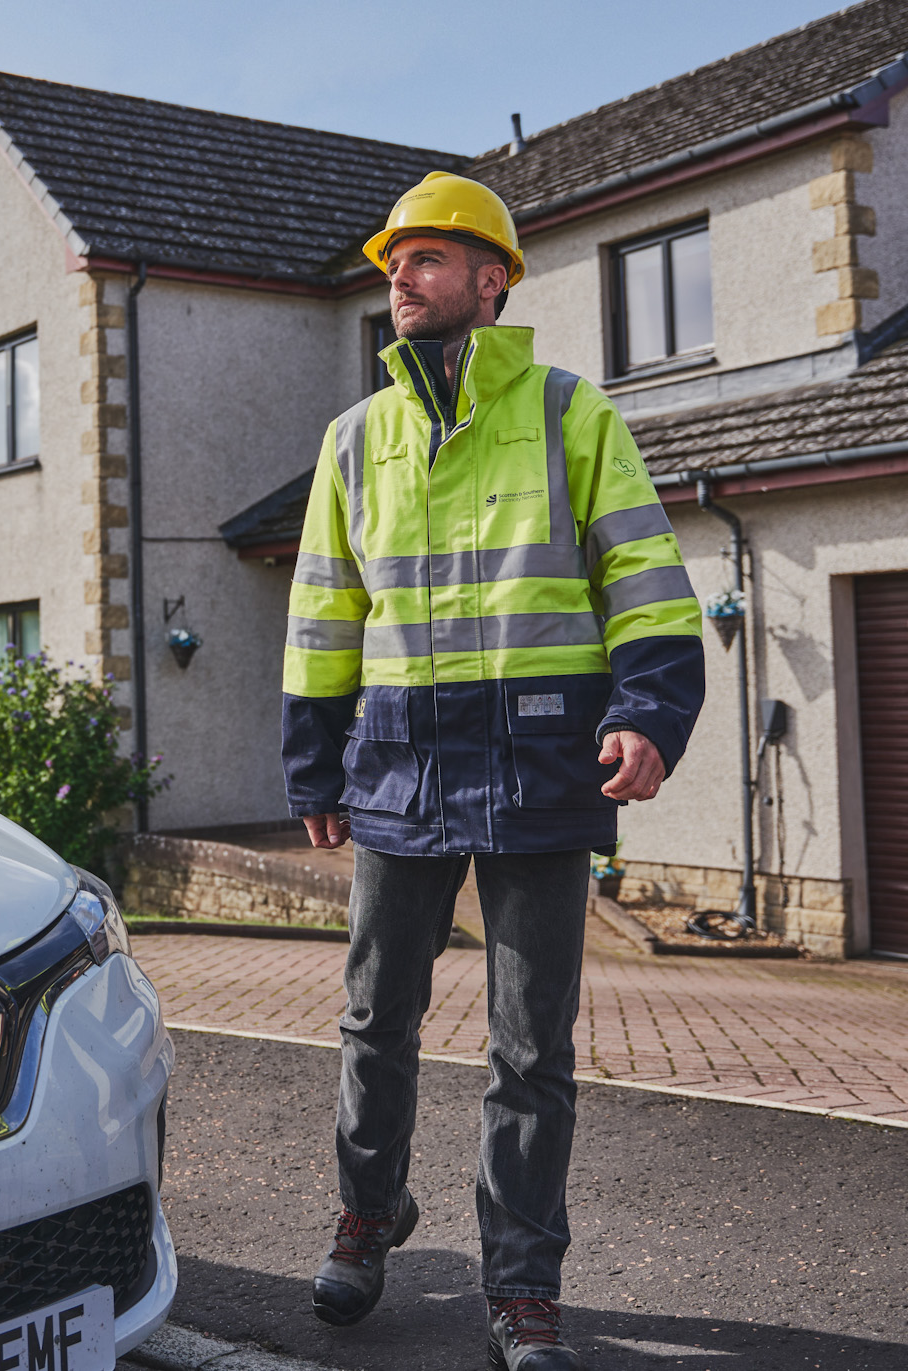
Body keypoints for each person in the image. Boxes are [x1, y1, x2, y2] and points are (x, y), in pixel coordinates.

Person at [281, 171, 705, 1370]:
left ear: (491, 279)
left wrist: (651, 715)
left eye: (426, 257)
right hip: (402, 772)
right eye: (393, 260)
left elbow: (646, 583)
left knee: (533, 1050)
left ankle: (521, 1287)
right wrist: (313, 767)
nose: (399, 277)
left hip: (539, 773)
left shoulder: (576, 415)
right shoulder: (354, 440)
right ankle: (370, 1217)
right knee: (375, 1021)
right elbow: (323, 610)